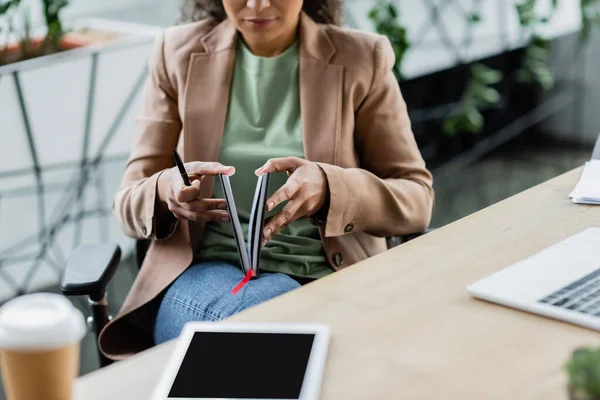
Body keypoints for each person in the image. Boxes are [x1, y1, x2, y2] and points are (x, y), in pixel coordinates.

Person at [98, 0, 434, 359]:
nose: (257, 4)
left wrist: (330, 187)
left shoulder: (362, 58)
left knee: (266, 344)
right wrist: (167, 191)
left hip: (332, 275)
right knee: (277, 331)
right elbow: (128, 200)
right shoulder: (176, 53)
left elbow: (416, 198)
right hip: (204, 278)